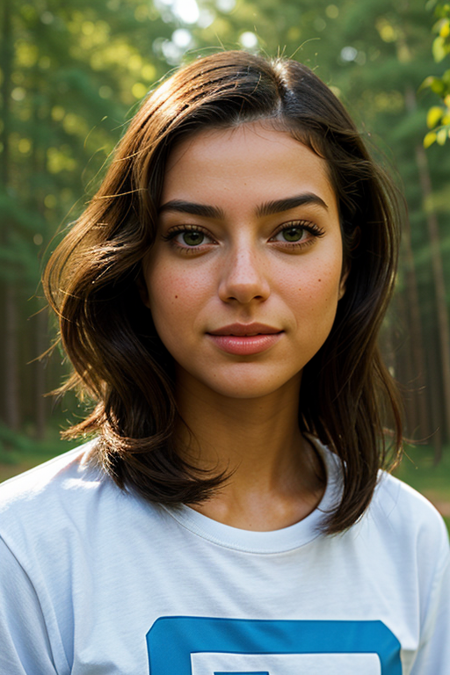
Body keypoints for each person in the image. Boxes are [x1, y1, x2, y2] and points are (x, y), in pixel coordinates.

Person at [0, 50, 448, 674]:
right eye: (192, 235)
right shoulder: (24, 549)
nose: (244, 282)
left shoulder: (413, 543)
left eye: (292, 232)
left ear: (349, 264)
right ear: (139, 268)